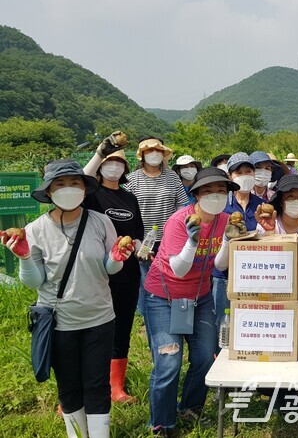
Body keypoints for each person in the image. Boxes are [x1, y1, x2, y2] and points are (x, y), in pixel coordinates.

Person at [2, 159, 132, 438]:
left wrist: (117, 259)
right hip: (59, 322)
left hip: (99, 317)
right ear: (49, 192)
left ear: (85, 189)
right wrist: (25, 256)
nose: (69, 189)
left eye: (75, 183)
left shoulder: (102, 222)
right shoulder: (36, 229)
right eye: (60, 184)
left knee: (97, 384)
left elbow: (110, 268)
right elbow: (34, 281)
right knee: (69, 386)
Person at [142, 167, 237, 435]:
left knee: (206, 357)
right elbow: (179, 269)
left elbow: (218, 264)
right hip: (164, 296)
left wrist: (228, 241)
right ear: (195, 195)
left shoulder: (224, 221)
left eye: (221, 191)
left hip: (200, 297)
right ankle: (162, 422)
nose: (215, 196)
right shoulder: (179, 220)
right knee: (169, 362)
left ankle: (191, 408)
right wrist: (192, 242)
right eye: (208, 191)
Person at [83, 146, 145, 404]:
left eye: (120, 162)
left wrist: (143, 249)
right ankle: (83, 386)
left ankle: (116, 387)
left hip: (128, 273)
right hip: (98, 271)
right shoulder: (91, 194)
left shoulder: (130, 197)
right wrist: (100, 153)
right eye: (110, 162)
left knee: (122, 326)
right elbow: (81, 178)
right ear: (100, 167)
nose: (115, 166)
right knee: (93, 329)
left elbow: (139, 232)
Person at [123, 137, 188, 316]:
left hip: (169, 239)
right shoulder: (133, 179)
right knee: (145, 281)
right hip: (143, 240)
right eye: (149, 150)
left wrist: (178, 230)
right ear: (142, 155)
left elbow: (181, 205)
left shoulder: (172, 177)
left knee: (169, 277)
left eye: (158, 150)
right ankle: (148, 316)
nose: (154, 154)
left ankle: (170, 313)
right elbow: (128, 209)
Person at [211, 152, 265, 336]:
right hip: (223, 274)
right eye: (238, 172)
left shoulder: (261, 205)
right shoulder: (220, 205)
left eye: (248, 171)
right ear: (230, 177)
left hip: (252, 274)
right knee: (222, 325)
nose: (244, 175)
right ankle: (220, 360)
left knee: (249, 322)